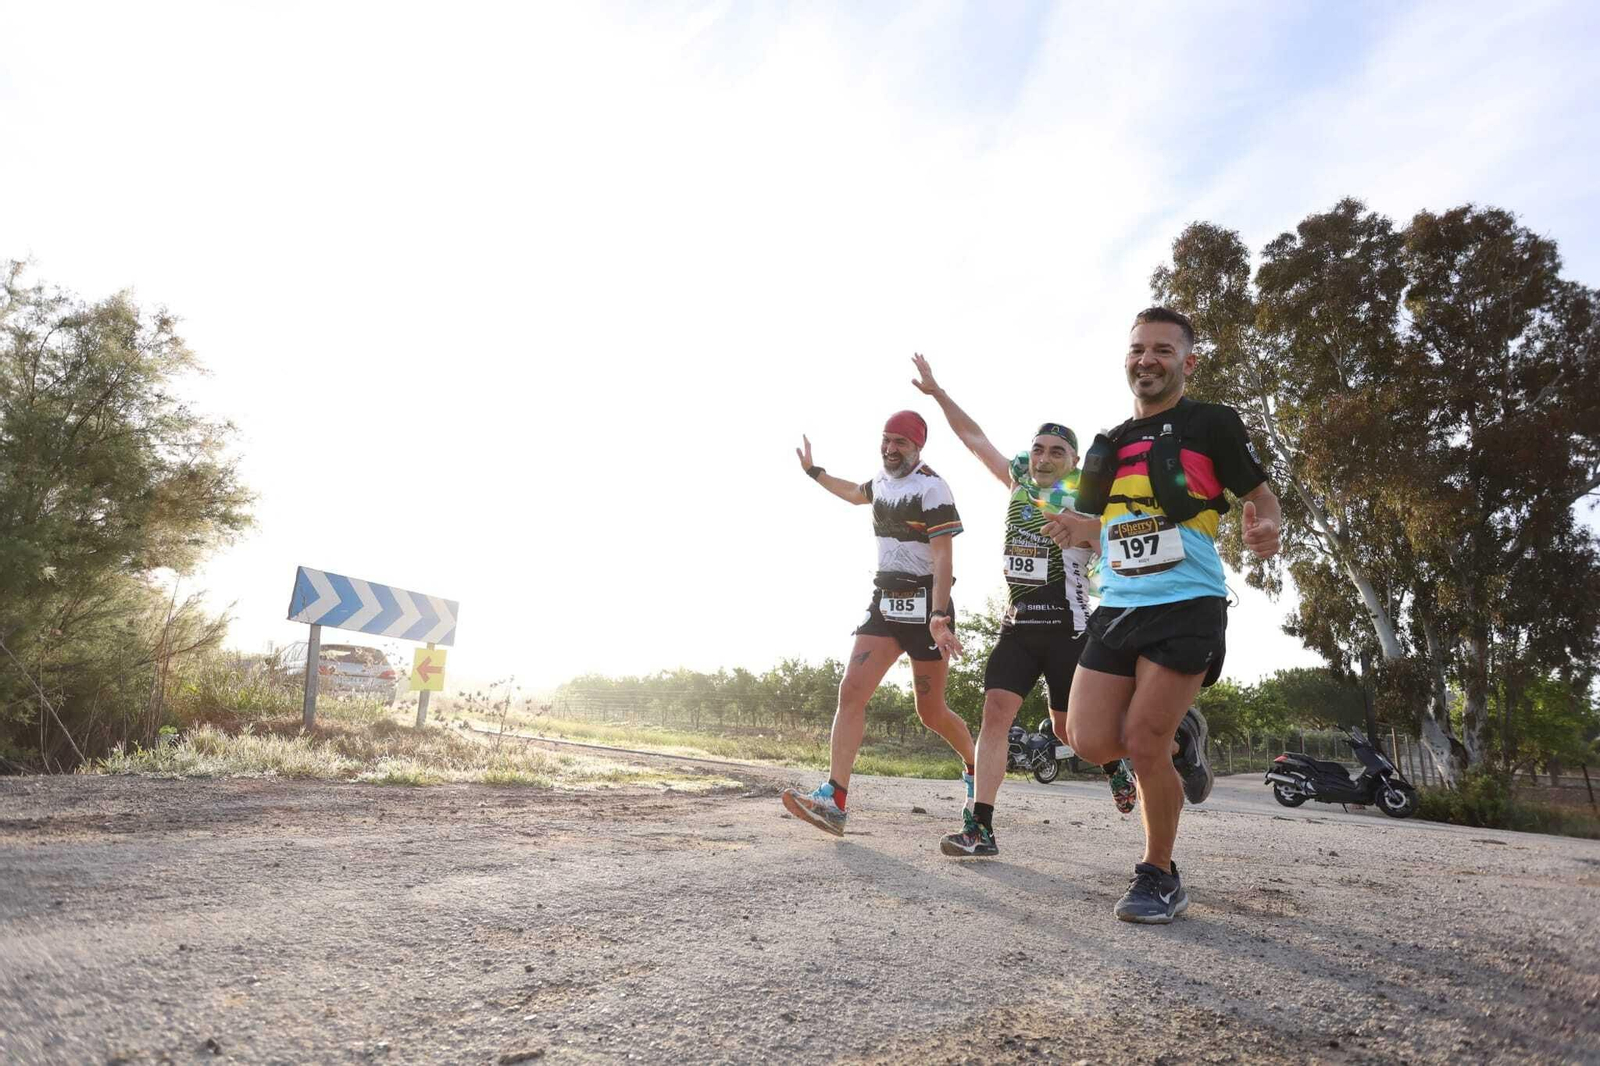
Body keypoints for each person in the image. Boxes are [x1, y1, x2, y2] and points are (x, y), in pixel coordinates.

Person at [1043, 307, 1282, 923]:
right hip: (1118, 603)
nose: (1147, 359)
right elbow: (1105, 525)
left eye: (1163, 350)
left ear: (1187, 362)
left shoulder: (1211, 423)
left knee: (1142, 740)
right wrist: (1080, 528)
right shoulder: (1111, 442)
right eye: (1138, 349)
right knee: (1091, 740)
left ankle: (1160, 874)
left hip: (1187, 601)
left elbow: (1258, 493)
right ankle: (1185, 733)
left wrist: (1268, 525)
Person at [906, 354, 1136, 860]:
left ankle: (1114, 762)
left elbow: (1114, 549)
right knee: (995, 714)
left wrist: (1085, 535)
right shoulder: (1018, 484)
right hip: (1018, 625)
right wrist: (940, 394)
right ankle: (980, 828)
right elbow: (976, 440)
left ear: (1073, 461)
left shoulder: (1085, 502)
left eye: (1057, 451)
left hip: (1070, 628)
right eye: (1038, 448)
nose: (1044, 457)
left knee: (1066, 729)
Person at [781, 411, 978, 836]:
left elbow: (944, 556)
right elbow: (854, 493)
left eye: (900, 443)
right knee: (851, 691)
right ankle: (834, 799)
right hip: (885, 601)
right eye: (886, 440)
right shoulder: (883, 482)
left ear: (918, 446)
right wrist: (814, 472)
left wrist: (940, 615)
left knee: (930, 712)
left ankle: (975, 765)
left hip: (928, 607)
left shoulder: (932, 487)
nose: (890, 449)